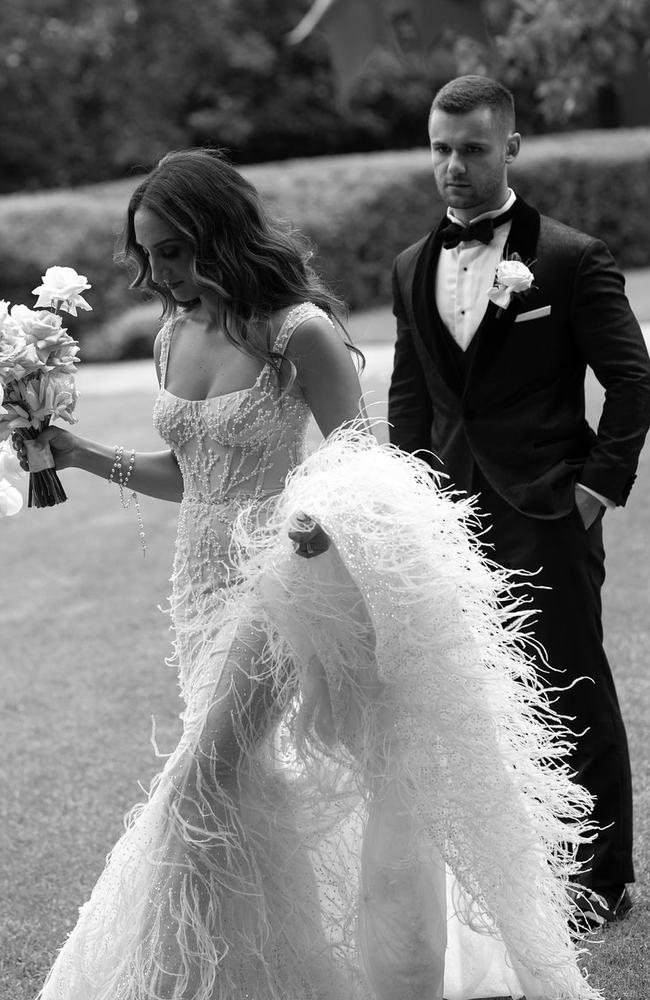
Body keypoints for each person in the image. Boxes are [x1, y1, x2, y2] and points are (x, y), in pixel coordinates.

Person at [16, 148, 603, 1000]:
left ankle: (145, 979)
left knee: (197, 777)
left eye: (174, 250)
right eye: (147, 254)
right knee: (240, 785)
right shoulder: (174, 334)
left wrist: (315, 525)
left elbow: (366, 471)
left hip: (278, 583)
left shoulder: (301, 333)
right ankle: (259, 976)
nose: (160, 272)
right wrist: (77, 452)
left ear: (219, 235)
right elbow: (189, 477)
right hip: (199, 588)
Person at [389, 74, 650, 931]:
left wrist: (594, 488)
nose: (452, 166)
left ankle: (603, 878)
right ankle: (521, 867)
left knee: (571, 688)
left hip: (547, 512)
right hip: (451, 525)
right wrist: (410, 504)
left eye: (470, 148)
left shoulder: (571, 259)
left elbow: (633, 381)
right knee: (481, 697)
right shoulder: (408, 268)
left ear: (510, 147)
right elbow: (412, 399)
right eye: (440, 148)